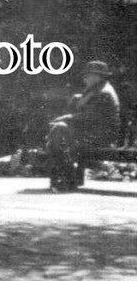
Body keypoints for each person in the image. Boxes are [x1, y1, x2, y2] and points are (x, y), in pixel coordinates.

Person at [47, 60, 121, 190]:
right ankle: (66, 176)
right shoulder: (95, 89)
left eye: (89, 75)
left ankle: (66, 177)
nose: (85, 78)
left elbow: (90, 117)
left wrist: (67, 117)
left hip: (101, 136)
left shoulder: (104, 92)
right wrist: (76, 100)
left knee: (59, 130)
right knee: (59, 132)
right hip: (93, 133)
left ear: (99, 76)